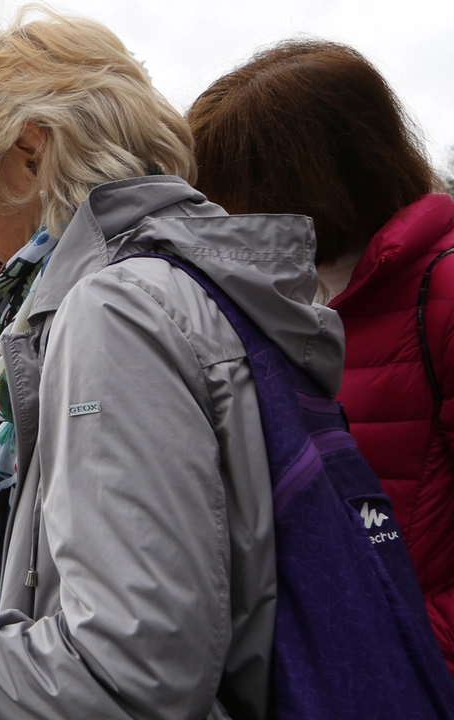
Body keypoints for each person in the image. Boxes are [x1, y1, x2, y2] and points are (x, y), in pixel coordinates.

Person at [0, 8, 344, 719]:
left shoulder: (117, 313)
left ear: (31, 152)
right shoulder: (201, 270)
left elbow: (136, 668)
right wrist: (15, 585)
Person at [187, 39, 454, 675]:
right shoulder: (298, 304)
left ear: (304, 184)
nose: (219, 223)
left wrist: (402, 653)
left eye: (232, 198)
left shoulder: (441, 295)